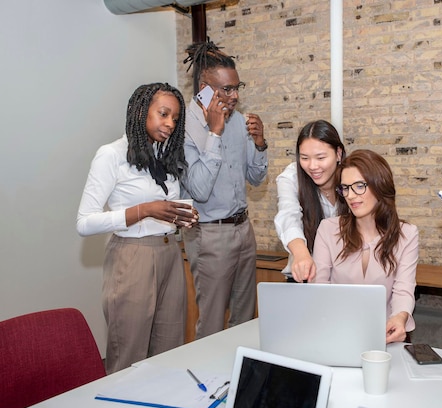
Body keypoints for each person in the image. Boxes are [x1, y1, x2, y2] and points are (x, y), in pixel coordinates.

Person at [77, 82, 198, 374]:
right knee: (129, 354)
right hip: (132, 257)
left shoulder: (162, 157)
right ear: (142, 111)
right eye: (163, 114)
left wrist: (178, 215)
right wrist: (144, 211)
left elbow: (163, 206)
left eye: (175, 119)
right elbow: (84, 222)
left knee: (169, 352)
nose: (169, 123)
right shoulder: (111, 155)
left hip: (170, 255)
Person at [181, 39, 268, 339]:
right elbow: (199, 190)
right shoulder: (185, 127)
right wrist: (214, 134)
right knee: (213, 323)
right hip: (209, 234)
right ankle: (210, 382)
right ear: (204, 87)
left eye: (237, 87)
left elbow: (256, 179)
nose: (234, 96)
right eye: (226, 90)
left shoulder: (240, 121)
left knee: (245, 319)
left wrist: (260, 144)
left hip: (243, 229)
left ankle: (240, 380)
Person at [311, 149, 419, 343]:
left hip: (383, 335)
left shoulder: (407, 234)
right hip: (334, 332)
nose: (351, 196)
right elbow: (318, 288)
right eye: (345, 188)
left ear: (380, 185)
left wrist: (400, 317)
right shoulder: (328, 229)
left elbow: (403, 290)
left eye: (359, 186)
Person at [274, 120, 346, 282]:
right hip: (304, 276)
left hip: (344, 278)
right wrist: (301, 254)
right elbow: (288, 216)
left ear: (338, 154)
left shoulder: (352, 177)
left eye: (320, 157)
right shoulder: (292, 178)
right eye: (305, 158)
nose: (313, 166)